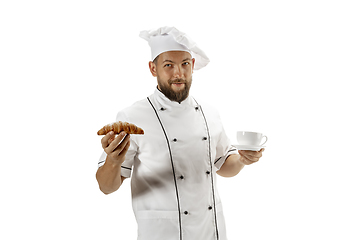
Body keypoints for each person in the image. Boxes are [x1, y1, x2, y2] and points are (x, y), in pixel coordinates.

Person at [96, 26, 264, 240]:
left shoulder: (210, 113)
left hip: (211, 231)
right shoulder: (132, 117)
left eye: (185, 64)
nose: (178, 73)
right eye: (168, 65)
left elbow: (223, 166)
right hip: (163, 234)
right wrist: (112, 161)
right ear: (153, 69)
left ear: (193, 65)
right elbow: (106, 187)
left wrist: (242, 159)